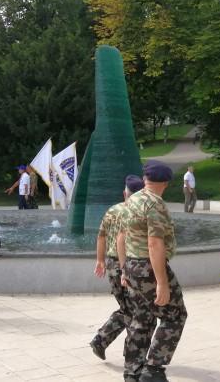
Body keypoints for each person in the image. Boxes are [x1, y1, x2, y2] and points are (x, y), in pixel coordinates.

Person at [118, 161, 187, 382]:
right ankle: (154, 370)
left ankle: (132, 371)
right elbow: (154, 244)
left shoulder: (131, 200)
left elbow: (121, 238)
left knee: (141, 317)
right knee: (175, 315)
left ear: (145, 178)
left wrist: (124, 270)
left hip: (131, 265)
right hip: (149, 267)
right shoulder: (155, 204)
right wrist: (162, 282)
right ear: (165, 183)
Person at [90, 175, 146, 361]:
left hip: (112, 264)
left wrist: (100, 260)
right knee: (135, 310)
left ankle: (102, 340)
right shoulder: (139, 213)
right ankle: (128, 353)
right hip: (129, 265)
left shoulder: (113, 210)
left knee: (128, 308)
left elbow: (101, 237)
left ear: (125, 193)